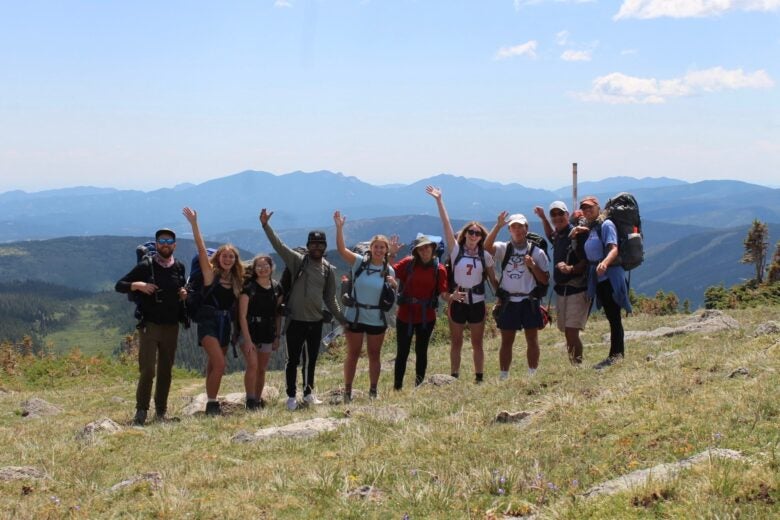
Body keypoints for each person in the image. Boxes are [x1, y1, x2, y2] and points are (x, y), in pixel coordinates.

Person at [259, 208, 344, 410]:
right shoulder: (298, 261)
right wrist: (265, 225)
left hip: (315, 322)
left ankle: (308, 393)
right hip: (295, 320)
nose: (316, 247)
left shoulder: (328, 270)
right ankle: (290, 397)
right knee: (292, 360)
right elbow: (279, 246)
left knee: (311, 360)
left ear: (324, 247)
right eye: (313, 244)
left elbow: (330, 297)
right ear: (308, 246)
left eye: (320, 244)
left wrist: (341, 318)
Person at [115, 228, 187, 426]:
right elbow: (119, 285)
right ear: (156, 245)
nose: (165, 243)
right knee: (148, 370)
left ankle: (161, 412)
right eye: (161, 240)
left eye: (169, 240)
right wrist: (138, 285)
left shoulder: (179, 267)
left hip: (172, 326)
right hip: (150, 325)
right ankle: (141, 411)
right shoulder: (147, 266)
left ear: (174, 244)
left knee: (166, 370)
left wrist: (183, 293)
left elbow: (181, 288)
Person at [426, 185, 497, 383]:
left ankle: (479, 377)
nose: (473, 236)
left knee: (477, 343)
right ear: (465, 234)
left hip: (477, 301)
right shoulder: (456, 251)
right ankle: (454, 376)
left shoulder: (485, 256)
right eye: (471, 232)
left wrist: (502, 296)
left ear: (481, 237)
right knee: (456, 342)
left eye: (477, 233)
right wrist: (439, 201)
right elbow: (446, 224)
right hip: (457, 301)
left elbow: (494, 279)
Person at [183, 207, 244, 416]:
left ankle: (210, 398)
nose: (227, 259)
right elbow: (201, 250)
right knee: (219, 363)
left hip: (225, 324)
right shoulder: (211, 276)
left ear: (235, 261)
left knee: (213, 364)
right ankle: (212, 404)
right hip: (208, 322)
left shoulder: (236, 280)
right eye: (224, 256)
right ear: (218, 258)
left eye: (231, 257)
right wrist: (194, 224)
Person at [333, 211, 397, 402]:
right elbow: (341, 250)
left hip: (376, 318)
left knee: (374, 355)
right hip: (355, 315)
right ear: (371, 248)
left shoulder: (389, 270)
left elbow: (394, 293)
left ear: (386, 251)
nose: (378, 250)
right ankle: (347, 391)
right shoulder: (360, 262)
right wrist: (339, 228)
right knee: (352, 354)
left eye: (382, 248)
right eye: (376, 247)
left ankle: (373, 390)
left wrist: (395, 284)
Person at [484, 212, 550, 378]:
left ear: (526, 229)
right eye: (514, 227)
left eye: (520, 226)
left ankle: (532, 374)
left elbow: (545, 280)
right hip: (509, 301)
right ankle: (504, 375)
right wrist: (497, 226)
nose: (517, 230)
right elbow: (486, 247)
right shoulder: (504, 248)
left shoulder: (537, 252)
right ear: (509, 230)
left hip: (529, 300)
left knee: (532, 339)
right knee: (506, 341)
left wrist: (533, 266)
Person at [571, 195, 632, 369]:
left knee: (614, 316)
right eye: (584, 208)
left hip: (610, 277)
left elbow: (613, 248)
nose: (587, 210)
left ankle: (617, 355)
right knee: (611, 314)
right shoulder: (592, 227)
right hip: (600, 278)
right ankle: (615, 353)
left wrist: (604, 263)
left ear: (598, 208)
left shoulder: (606, 225)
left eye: (590, 207)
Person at [391, 235, 451, 389]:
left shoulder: (439, 269)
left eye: (427, 247)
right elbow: (390, 272)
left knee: (421, 351)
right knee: (402, 351)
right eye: (421, 248)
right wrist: (391, 254)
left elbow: (443, 293)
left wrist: (452, 297)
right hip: (406, 315)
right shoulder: (408, 263)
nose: (424, 251)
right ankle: (397, 386)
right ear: (416, 251)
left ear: (433, 248)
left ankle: (419, 385)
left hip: (426, 316)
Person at [534, 201, 589, 364]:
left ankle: (578, 366)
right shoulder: (559, 235)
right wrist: (543, 218)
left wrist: (571, 269)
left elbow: (587, 260)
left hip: (577, 288)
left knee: (571, 332)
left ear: (567, 215)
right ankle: (574, 364)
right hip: (562, 290)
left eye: (560, 214)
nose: (557, 217)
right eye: (554, 215)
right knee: (566, 332)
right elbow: (551, 236)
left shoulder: (576, 234)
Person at [238, 255, 283, 410]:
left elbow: (277, 314)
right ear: (254, 269)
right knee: (253, 365)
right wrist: (248, 340)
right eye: (259, 266)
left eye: (266, 266)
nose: (263, 269)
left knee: (262, 368)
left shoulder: (277, 288)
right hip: (249, 331)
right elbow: (242, 316)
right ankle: (250, 400)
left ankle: (257, 399)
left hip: (267, 332)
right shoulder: (249, 288)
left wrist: (277, 336)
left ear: (271, 268)